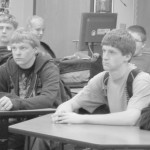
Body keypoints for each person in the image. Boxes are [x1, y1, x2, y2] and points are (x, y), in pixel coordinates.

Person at [52, 29, 150, 126]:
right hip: (118, 137)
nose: (105, 57)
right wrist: (62, 113)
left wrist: (82, 119)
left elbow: (130, 118)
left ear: (127, 57)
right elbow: (71, 103)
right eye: (104, 51)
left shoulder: (141, 80)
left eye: (112, 52)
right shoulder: (103, 78)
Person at [0, 28, 60, 150]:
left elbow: (47, 99)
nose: (17, 53)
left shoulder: (49, 68)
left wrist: (16, 103)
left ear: (35, 50)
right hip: (17, 119)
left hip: (45, 118)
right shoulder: (6, 67)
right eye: (14, 48)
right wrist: (11, 99)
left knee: (40, 137)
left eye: (23, 48)